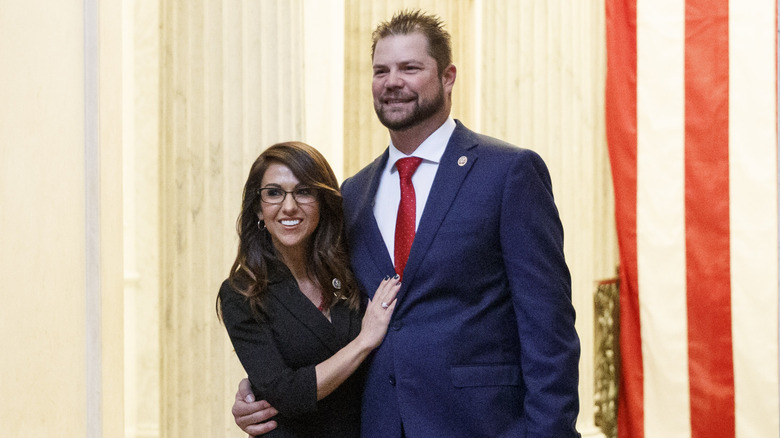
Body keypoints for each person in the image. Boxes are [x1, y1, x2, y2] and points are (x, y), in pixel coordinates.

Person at [232, 9, 581, 437]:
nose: (392, 82)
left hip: (483, 425)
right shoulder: (353, 193)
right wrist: (267, 389)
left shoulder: (508, 173)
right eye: (381, 70)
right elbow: (332, 318)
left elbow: (549, 329)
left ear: (448, 77)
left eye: (409, 68)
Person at [218, 141, 401, 437]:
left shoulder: (352, 267)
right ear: (258, 210)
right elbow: (284, 393)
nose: (288, 206)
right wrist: (364, 340)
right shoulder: (243, 292)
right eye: (274, 193)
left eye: (303, 192)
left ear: (322, 203)